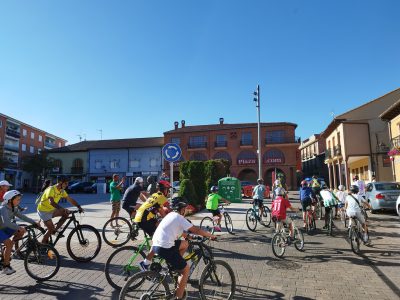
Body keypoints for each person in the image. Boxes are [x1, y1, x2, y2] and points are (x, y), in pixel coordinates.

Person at [151, 197, 217, 300]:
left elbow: (179, 231)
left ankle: (176, 267)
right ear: (181, 209)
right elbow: (196, 230)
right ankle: (179, 297)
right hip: (165, 247)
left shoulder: (170, 216)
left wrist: (190, 236)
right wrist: (210, 235)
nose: (186, 210)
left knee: (185, 244)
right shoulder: (179, 218)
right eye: (185, 208)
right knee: (185, 270)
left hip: (156, 245)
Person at [0, 190, 38, 275]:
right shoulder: (3, 208)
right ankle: (6, 267)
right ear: (10, 200)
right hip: (2, 228)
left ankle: (7, 251)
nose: (19, 201)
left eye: (19, 199)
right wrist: (19, 227)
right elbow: (6, 222)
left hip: (4, 228)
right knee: (9, 242)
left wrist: (34, 223)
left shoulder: (13, 208)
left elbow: (22, 216)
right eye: (17, 199)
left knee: (20, 232)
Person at [135, 182, 171, 270]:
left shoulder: (155, 194)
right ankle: (145, 263)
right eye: (168, 190)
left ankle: (156, 253)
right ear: (165, 190)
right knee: (159, 240)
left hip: (142, 217)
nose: (169, 192)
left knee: (160, 226)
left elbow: (158, 209)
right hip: (144, 219)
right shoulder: (162, 197)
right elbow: (165, 211)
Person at [37, 176, 83, 244]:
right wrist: (62, 209)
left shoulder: (62, 191)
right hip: (43, 211)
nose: (67, 185)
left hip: (51, 210)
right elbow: (51, 202)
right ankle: (42, 245)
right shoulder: (51, 189)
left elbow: (70, 199)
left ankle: (55, 231)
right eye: (66, 183)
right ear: (61, 182)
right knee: (50, 228)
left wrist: (78, 206)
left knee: (65, 214)